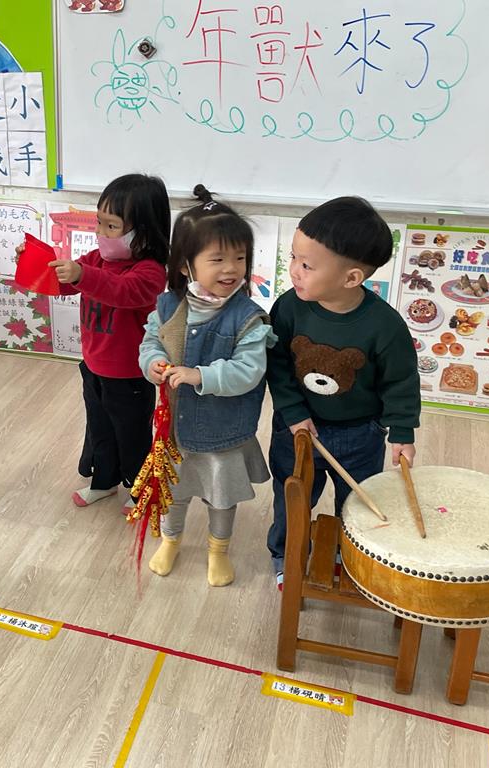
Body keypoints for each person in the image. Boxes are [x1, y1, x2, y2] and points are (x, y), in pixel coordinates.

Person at [266, 196, 419, 589]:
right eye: (294, 258)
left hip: (360, 433)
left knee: (356, 503)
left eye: (306, 265)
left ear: (351, 278)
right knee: (292, 498)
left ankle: (346, 553)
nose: (294, 270)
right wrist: (292, 412)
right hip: (297, 429)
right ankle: (286, 554)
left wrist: (402, 432)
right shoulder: (288, 307)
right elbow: (277, 365)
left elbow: (401, 381)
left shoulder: (385, 326)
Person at [138, 186, 275, 586]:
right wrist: (152, 363)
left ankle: (218, 551)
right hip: (175, 430)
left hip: (222, 433)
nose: (231, 268)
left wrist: (201, 375)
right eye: (217, 259)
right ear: (185, 265)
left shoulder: (248, 317)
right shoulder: (168, 305)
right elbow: (150, 342)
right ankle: (171, 540)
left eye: (240, 257)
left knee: (221, 497)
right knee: (175, 491)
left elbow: (249, 371)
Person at [43, 174, 170, 512]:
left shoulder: (150, 271)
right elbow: (65, 283)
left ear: (144, 232)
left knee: (132, 437)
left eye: (111, 226)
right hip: (94, 366)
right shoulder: (96, 259)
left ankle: (142, 490)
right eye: (99, 223)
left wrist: (82, 275)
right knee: (99, 430)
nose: (100, 232)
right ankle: (104, 481)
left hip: (129, 376)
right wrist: (38, 263)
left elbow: (123, 292)